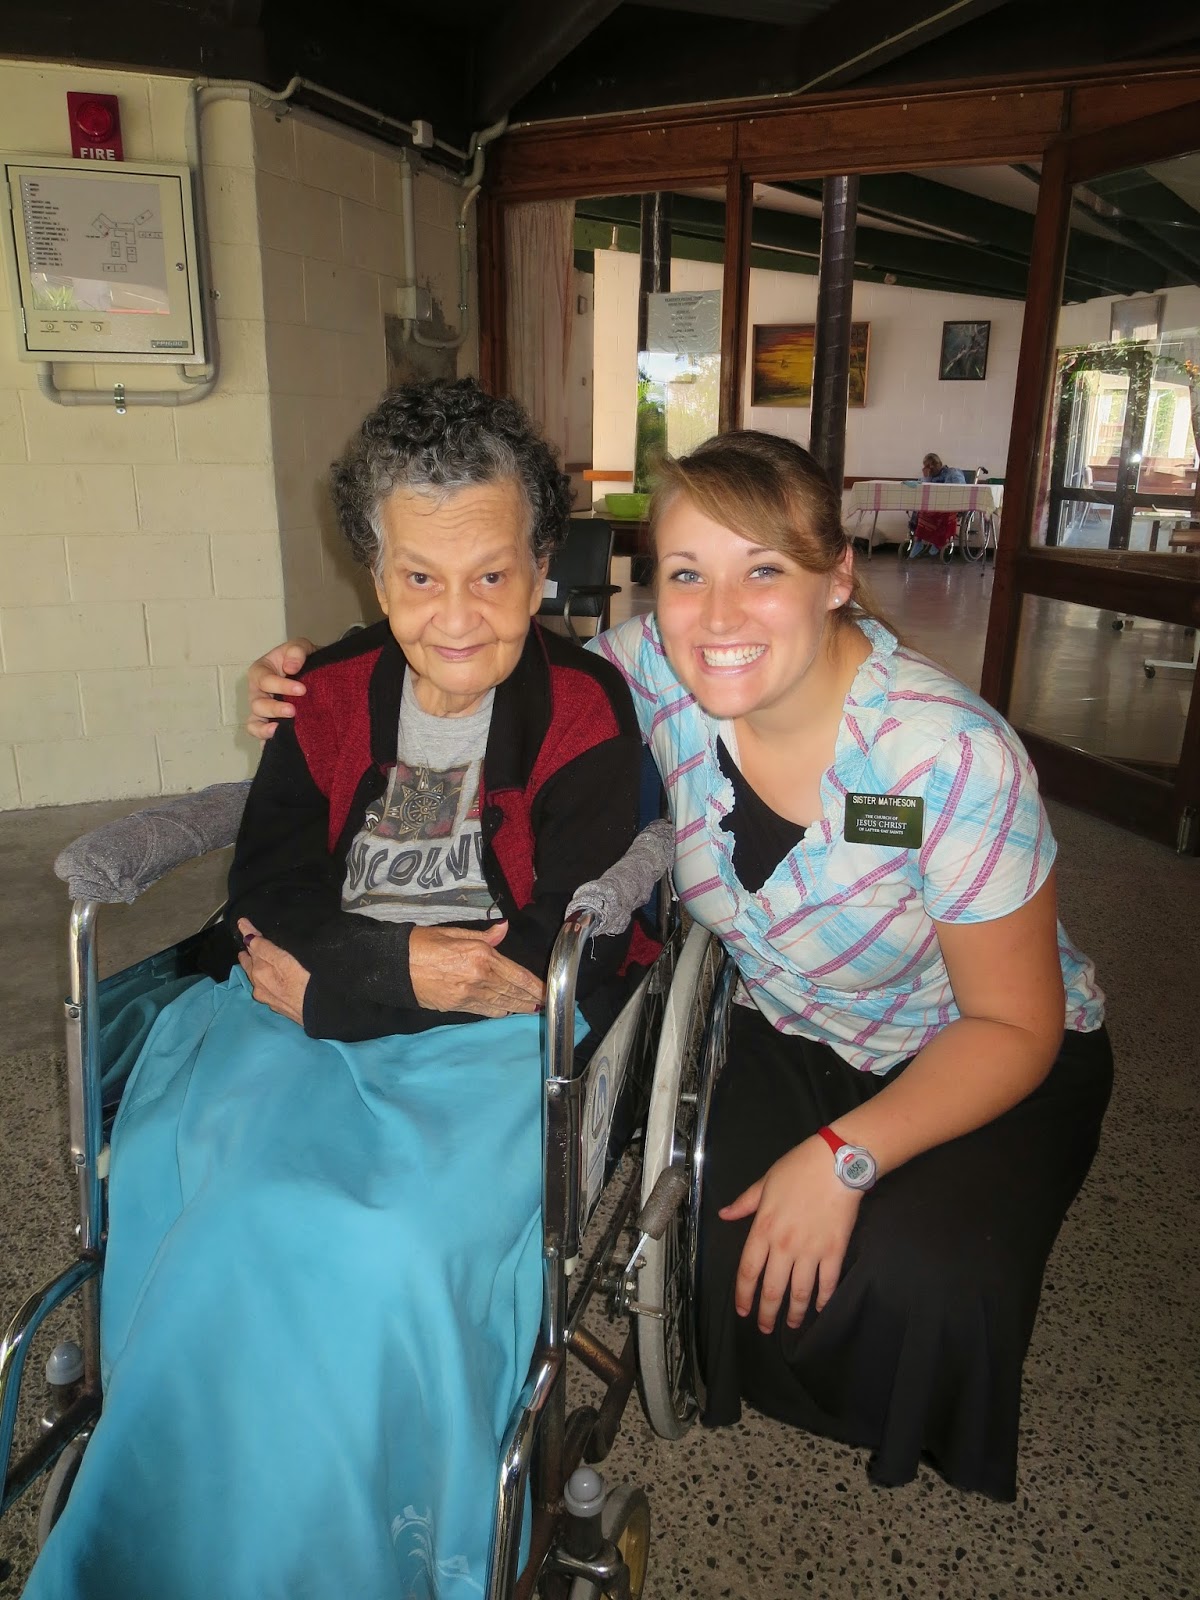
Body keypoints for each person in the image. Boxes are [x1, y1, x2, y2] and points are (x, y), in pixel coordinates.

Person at [246, 427, 1111, 1506]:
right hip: (787, 1021)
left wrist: (844, 1157)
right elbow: (483, 644)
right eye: (687, 574)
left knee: (923, 1275)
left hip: (973, 1045)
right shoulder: (649, 668)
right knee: (714, 1233)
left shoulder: (951, 756)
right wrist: (312, 676)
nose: (719, 616)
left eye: (765, 571)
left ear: (839, 576)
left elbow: (1015, 1024)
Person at [24, 379, 648, 1600]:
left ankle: (364, 1538)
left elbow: (535, 959)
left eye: (492, 574)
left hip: (484, 1042)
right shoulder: (326, 690)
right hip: (296, 999)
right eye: (420, 576)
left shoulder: (584, 707)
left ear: (541, 568)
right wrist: (379, 974)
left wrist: (348, 986)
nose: (456, 615)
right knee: (202, 1196)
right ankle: (177, 1518)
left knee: (383, 1240)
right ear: (376, 573)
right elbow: (269, 882)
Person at [907, 451, 966, 557]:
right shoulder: (929, 476)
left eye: (933, 465)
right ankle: (918, 541)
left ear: (939, 464)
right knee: (920, 509)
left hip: (950, 506)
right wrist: (926, 478)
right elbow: (922, 491)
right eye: (928, 466)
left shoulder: (952, 473)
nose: (931, 468)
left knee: (940, 512)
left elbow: (960, 490)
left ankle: (938, 542)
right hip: (933, 506)